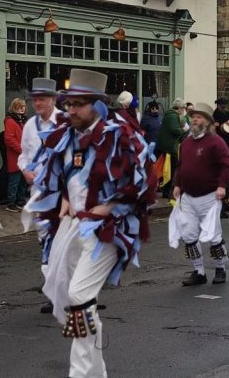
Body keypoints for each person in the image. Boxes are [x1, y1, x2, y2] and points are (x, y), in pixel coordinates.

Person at [30, 69, 156, 377]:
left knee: (79, 296)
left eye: (79, 104)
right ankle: (96, 373)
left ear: (97, 104)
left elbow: (145, 187)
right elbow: (60, 177)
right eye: (69, 103)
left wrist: (107, 207)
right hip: (73, 227)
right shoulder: (65, 135)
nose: (71, 110)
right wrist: (64, 201)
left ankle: (79, 374)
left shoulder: (121, 136)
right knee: (69, 298)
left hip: (110, 230)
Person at [172, 102, 229, 286]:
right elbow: (182, 167)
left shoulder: (216, 142)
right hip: (189, 197)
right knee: (189, 236)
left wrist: (222, 186)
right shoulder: (186, 143)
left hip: (210, 196)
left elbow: (227, 165)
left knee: (213, 236)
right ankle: (199, 272)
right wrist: (178, 185)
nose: (194, 120)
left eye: (199, 117)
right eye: (193, 117)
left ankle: (220, 268)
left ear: (207, 121)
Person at [17, 78, 63, 314]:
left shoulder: (65, 122)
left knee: (61, 243)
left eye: (42, 99)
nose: (37, 103)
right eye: (35, 99)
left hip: (62, 194)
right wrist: (25, 169)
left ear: (53, 100)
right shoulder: (29, 126)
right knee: (45, 240)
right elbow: (23, 155)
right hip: (38, 193)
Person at [155, 98, 187, 198]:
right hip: (170, 148)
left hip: (166, 146)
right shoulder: (173, 116)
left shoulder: (169, 115)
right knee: (170, 171)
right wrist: (183, 129)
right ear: (179, 108)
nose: (183, 111)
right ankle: (168, 192)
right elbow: (174, 130)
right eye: (183, 108)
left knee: (166, 170)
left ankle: (166, 191)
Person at [213, 97, 229, 218]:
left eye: (224, 104)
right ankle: (221, 208)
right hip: (220, 144)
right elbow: (212, 128)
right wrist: (216, 125)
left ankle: (226, 204)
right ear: (218, 105)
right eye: (221, 104)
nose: (223, 106)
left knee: (228, 172)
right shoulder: (214, 115)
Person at [3, 98, 28, 212]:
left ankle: (20, 201)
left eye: (23, 106)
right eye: (19, 106)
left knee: (22, 181)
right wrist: (22, 149)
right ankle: (11, 203)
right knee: (14, 180)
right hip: (16, 156)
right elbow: (9, 139)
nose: (22, 108)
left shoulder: (22, 121)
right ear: (14, 107)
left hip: (23, 156)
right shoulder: (10, 121)